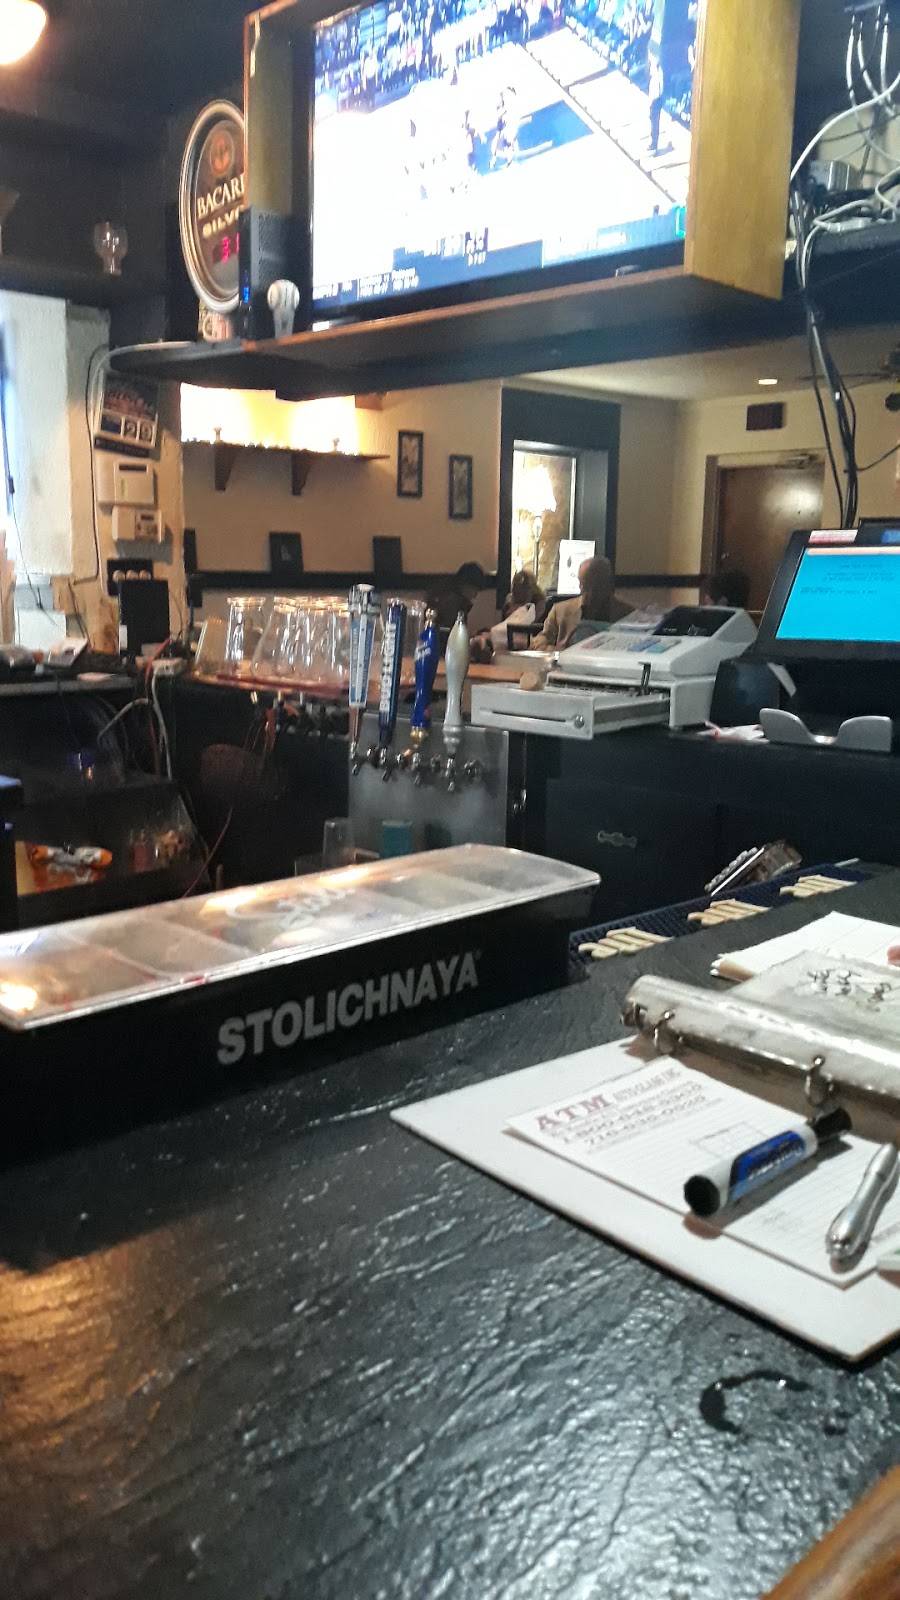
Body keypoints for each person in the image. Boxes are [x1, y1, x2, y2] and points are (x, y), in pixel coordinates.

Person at [534, 556, 628, 650]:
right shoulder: (560, 611)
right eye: (581, 583)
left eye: (592, 584)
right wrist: (556, 651)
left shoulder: (627, 615)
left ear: (608, 584)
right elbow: (541, 641)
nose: (582, 588)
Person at [427, 561, 487, 629]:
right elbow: (453, 630)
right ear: (465, 586)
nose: (475, 594)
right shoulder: (453, 603)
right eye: (474, 589)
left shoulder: (447, 595)